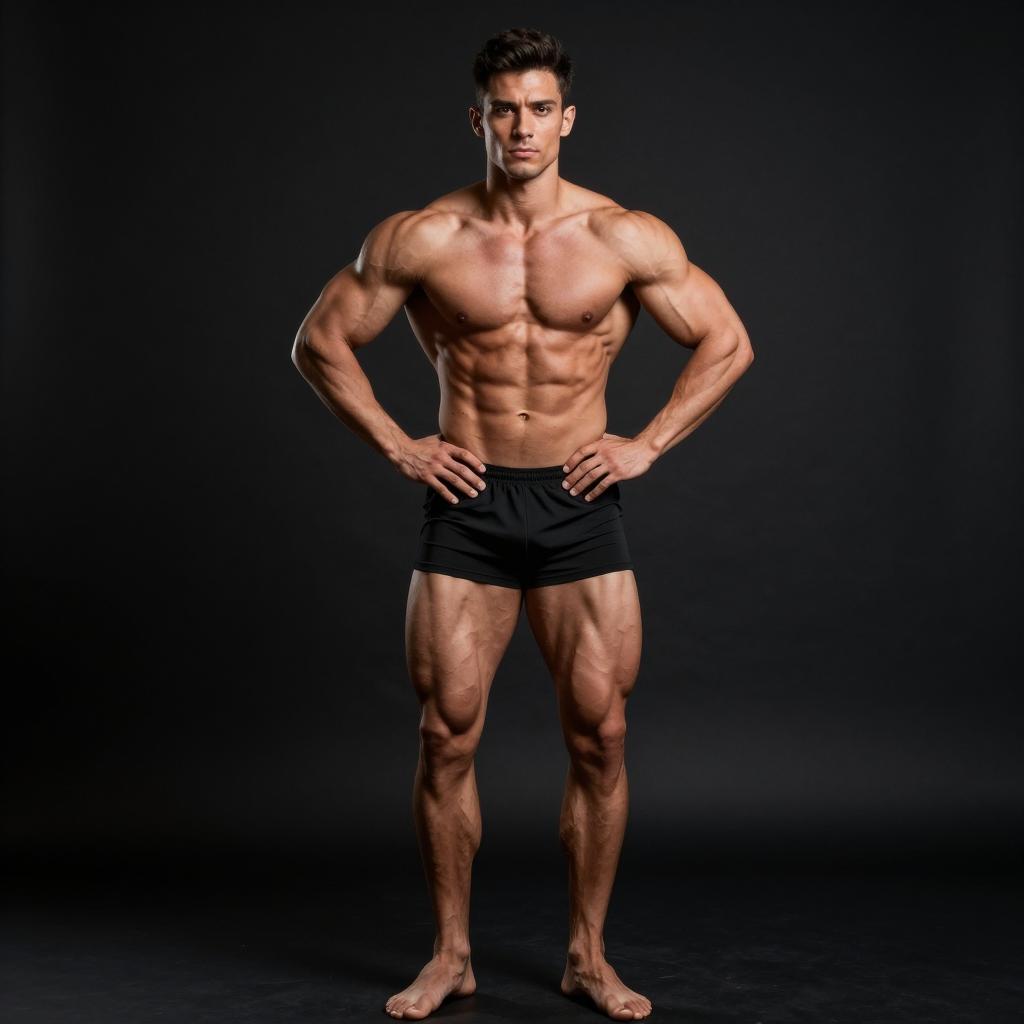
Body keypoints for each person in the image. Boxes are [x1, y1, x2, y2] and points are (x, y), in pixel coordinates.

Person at [291, 26, 753, 1022]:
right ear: (478, 120)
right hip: (466, 502)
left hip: (579, 502)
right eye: (504, 110)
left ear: (567, 117)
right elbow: (319, 343)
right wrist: (398, 445)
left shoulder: (623, 236)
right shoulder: (422, 237)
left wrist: (648, 444)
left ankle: (587, 956)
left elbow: (726, 341)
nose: (523, 126)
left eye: (540, 108)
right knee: (444, 733)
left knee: (602, 735)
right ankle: (450, 955)